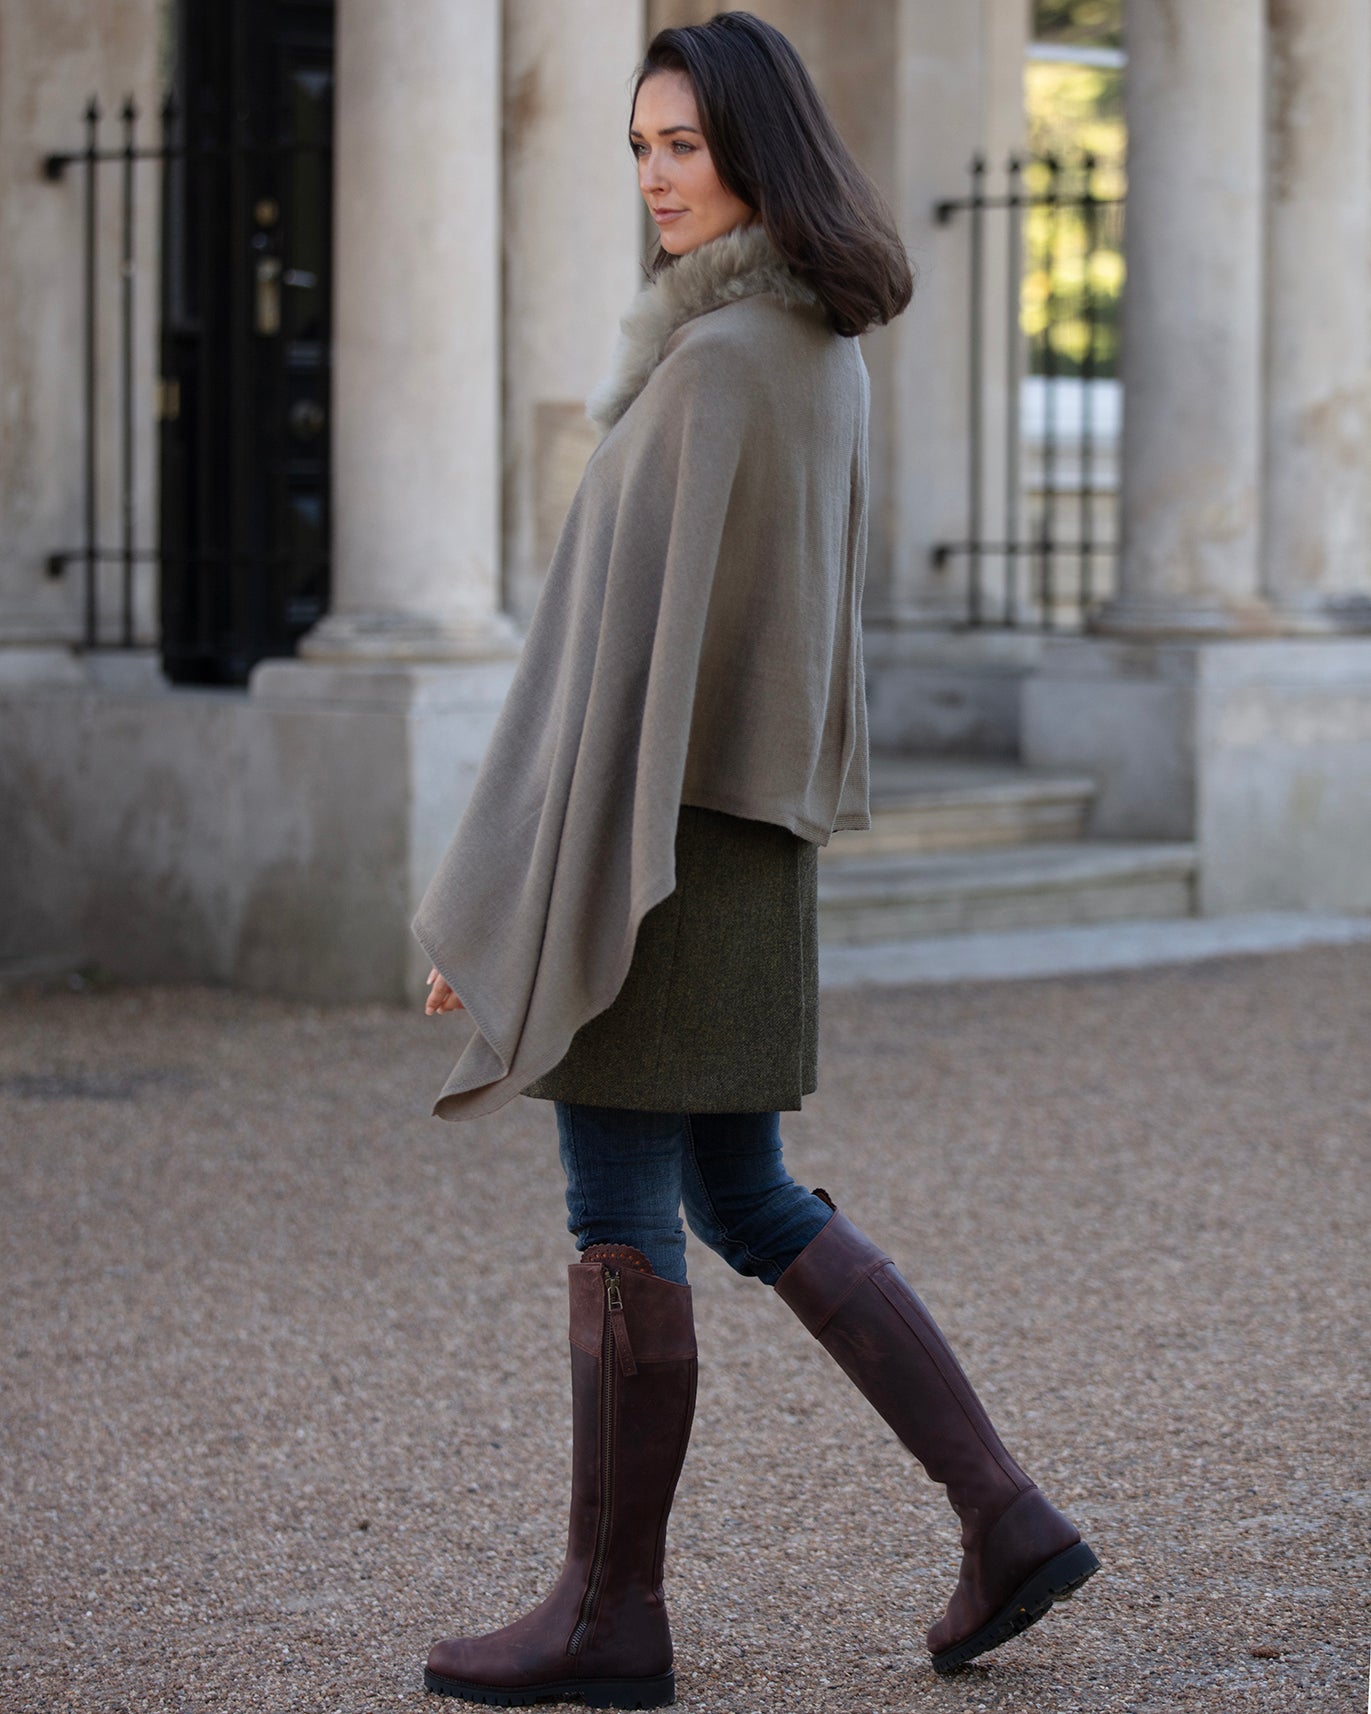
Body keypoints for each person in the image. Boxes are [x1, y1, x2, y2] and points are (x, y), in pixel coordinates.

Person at [415, 14, 1097, 1708]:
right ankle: (1003, 1512)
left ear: (754, 153)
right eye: (638, 148)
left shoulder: (720, 369)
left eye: (683, 149)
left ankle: (606, 1615)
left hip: (649, 849)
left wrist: (507, 903)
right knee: (747, 1194)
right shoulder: (813, 344)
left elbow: (607, 680)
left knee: (620, 1213)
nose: (654, 178)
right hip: (740, 847)